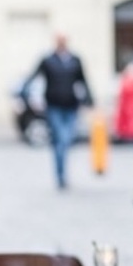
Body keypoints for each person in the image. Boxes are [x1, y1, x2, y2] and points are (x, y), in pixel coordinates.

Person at [23, 34, 93, 189]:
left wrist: (90, 99)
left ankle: (61, 173)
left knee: (65, 140)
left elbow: (83, 80)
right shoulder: (48, 60)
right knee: (61, 139)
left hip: (71, 106)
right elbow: (34, 76)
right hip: (54, 105)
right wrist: (25, 93)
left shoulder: (75, 60)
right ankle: (60, 176)